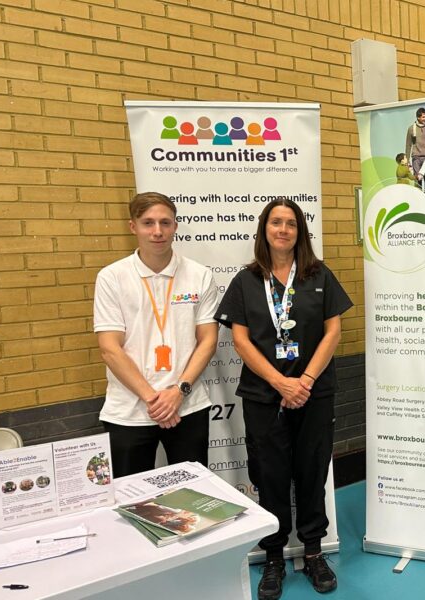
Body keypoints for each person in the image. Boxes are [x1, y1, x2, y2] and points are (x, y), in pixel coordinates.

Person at [214, 199, 352, 600]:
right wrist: (281, 383)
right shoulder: (246, 280)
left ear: (300, 231)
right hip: (264, 395)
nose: (283, 229)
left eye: (291, 223)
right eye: (276, 222)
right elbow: (239, 339)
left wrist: (304, 380)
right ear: (265, 229)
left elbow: (333, 332)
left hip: (314, 391)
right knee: (270, 475)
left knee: (311, 472)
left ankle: (312, 552)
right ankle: (273, 555)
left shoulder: (318, 274)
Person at [94, 192, 219, 478]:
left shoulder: (200, 275)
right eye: (148, 223)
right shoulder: (112, 277)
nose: (158, 231)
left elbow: (208, 340)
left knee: (194, 497)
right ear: (133, 227)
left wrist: (178, 392)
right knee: (130, 501)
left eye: (165, 222)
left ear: (176, 226)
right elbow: (110, 348)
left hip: (187, 406)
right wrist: (154, 399)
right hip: (129, 411)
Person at [405, 107, 425, 197]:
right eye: (423, 117)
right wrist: (407, 161)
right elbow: (408, 145)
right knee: (417, 181)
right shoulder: (411, 129)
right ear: (418, 117)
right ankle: (419, 200)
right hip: (416, 158)